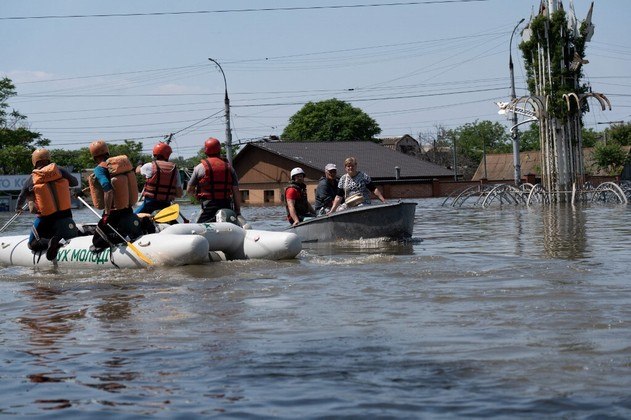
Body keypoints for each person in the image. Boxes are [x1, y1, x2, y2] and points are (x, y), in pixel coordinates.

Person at [16, 148, 79, 260]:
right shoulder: (59, 170)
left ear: (34, 162)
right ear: (49, 159)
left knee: (32, 243)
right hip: (67, 216)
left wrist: (18, 208)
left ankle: (50, 242)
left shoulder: (32, 177)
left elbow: (21, 196)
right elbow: (75, 182)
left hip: (47, 220)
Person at [87, 140, 143, 251]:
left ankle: (120, 238)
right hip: (127, 210)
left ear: (93, 157)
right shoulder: (118, 167)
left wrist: (106, 214)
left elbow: (108, 189)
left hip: (113, 214)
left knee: (96, 242)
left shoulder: (99, 168)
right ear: (107, 152)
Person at [186, 137, 242, 223]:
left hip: (208, 206)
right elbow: (236, 191)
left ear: (206, 151)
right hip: (226, 206)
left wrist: (197, 198)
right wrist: (237, 212)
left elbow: (189, 190)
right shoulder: (229, 168)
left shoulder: (199, 168)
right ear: (220, 150)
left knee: (200, 227)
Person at [135, 142, 183, 215]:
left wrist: (139, 165)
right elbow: (179, 194)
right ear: (168, 155)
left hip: (149, 204)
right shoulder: (175, 170)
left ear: (154, 153)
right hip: (166, 205)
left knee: (133, 217)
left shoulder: (149, 166)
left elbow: (137, 171)